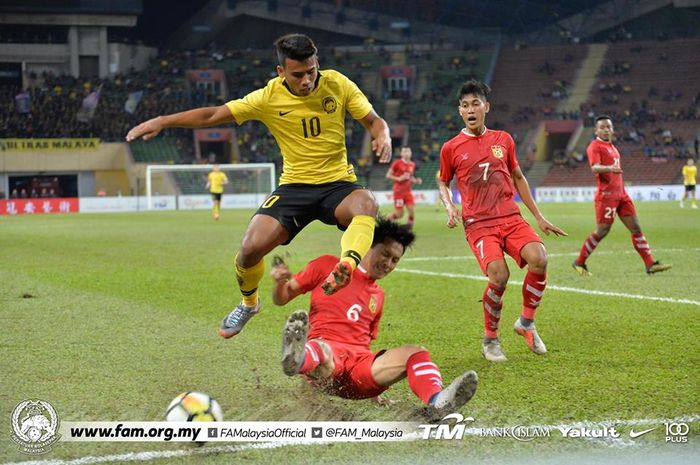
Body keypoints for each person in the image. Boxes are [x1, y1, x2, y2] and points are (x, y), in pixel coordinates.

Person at [126, 33, 391, 338]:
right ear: (281, 72)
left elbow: (374, 120)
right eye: (297, 75)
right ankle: (249, 303)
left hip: (338, 184)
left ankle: (345, 266)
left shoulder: (337, 84)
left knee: (366, 204)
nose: (306, 80)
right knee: (249, 249)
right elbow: (213, 114)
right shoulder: (267, 97)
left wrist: (381, 135)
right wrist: (164, 120)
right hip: (294, 187)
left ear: (317, 63)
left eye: (311, 71)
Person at [273, 217, 478, 418]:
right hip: (326, 366)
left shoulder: (377, 295)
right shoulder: (327, 266)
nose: (388, 264)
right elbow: (282, 298)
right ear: (368, 246)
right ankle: (297, 360)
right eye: (385, 254)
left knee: (416, 353)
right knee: (322, 348)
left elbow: (365, 343)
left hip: (357, 374)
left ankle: (438, 402)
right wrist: (280, 283)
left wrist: (375, 395)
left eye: (395, 260)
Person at [437, 80, 567, 363]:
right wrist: (449, 207)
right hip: (479, 224)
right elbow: (443, 182)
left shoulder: (503, 140)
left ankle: (526, 323)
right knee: (499, 276)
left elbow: (518, 177)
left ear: (486, 107)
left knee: (539, 257)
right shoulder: (451, 147)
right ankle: (490, 338)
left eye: (475, 103)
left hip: (510, 217)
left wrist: (539, 217)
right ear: (460, 111)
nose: (470, 109)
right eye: (465, 105)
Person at [572, 116, 672, 276]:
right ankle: (579, 262)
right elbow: (595, 168)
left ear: (612, 130)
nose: (606, 130)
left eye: (608, 127)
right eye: (602, 127)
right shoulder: (595, 146)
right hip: (607, 195)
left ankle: (650, 264)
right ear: (596, 130)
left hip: (621, 195)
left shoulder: (612, 147)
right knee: (602, 230)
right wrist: (610, 167)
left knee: (636, 228)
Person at [385, 146, 422, 228]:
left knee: (412, 211)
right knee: (399, 215)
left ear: (411, 153)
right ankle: (385, 219)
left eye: (408, 151)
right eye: (404, 151)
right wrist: (398, 178)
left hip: (408, 191)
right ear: (401, 153)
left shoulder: (412, 164)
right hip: (398, 191)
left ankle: (409, 228)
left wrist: (416, 180)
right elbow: (388, 175)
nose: (406, 153)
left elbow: (410, 177)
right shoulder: (397, 163)